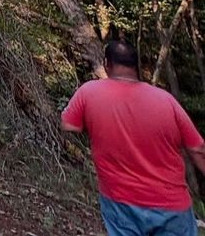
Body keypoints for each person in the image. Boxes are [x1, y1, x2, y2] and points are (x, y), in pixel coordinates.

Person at [62, 40, 205, 236]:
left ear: (106, 63)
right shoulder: (166, 101)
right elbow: (198, 149)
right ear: (136, 66)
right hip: (171, 206)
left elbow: (68, 125)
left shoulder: (89, 93)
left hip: (120, 203)